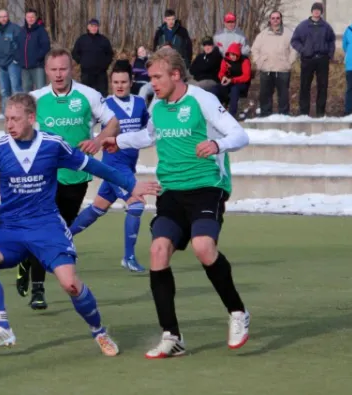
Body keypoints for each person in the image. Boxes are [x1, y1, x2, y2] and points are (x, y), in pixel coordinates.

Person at [0, 93, 160, 355]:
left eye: (15, 119)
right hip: (10, 228)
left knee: (70, 284)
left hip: (47, 228)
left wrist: (131, 184)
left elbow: (94, 166)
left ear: (31, 119)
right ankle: (2, 326)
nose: (9, 124)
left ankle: (99, 331)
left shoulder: (52, 144)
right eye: (7, 119)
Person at [102, 47, 250, 358]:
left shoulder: (201, 100)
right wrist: (118, 141)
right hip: (171, 190)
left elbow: (239, 135)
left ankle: (237, 312)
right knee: (158, 251)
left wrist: (216, 143)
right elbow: (149, 136)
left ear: (176, 75)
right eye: (151, 77)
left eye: (157, 77)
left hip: (207, 187)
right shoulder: (157, 104)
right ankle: (172, 336)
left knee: (202, 246)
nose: (152, 83)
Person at [15, 47, 121, 310]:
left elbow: (113, 123)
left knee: (62, 230)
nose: (59, 74)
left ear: (71, 68)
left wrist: (97, 140)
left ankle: (27, 259)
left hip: (77, 175)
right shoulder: (35, 99)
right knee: (46, 230)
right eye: (53, 70)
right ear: (46, 71)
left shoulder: (88, 95)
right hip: (44, 176)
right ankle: (38, 290)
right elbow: (20, 129)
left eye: (63, 69)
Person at [69, 60, 150, 272]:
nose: (120, 86)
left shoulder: (140, 104)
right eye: (115, 82)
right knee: (136, 205)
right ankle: (129, 257)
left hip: (128, 167)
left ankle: (61, 238)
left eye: (124, 81)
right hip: (114, 168)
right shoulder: (105, 105)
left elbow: (148, 131)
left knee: (98, 208)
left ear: (132, 81)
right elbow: (83, 125)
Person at [290, 2, 335, 117]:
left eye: (319, 10)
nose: (316, 11)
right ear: (311, 11)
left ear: (321, 12)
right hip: (307, 59)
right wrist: (303, 50)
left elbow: (331, 41)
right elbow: (294, 41)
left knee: (323, 86)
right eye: (315, 9)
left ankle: (320, 112)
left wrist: (329, 54)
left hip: (322, 60)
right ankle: (304, 112)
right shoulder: (303, 26)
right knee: (305, 86)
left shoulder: (326, 26)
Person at [252, 11, 297, 116]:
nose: (275, 20)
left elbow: (294, 49)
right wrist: (259, 62)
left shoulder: (288, 33)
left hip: (282, 70)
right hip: (266, 69)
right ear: (270, 20)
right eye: (273, 18)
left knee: (283, 95)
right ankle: (265, 115)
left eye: (277, 18)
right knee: (265, 95)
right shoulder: (263, 34)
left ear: (281, 19)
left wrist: (288, 63)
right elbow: (255, 49)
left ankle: (284, 116)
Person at [72, 19, 114, 97]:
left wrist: (105, 65)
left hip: (101, 74)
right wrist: (82, 62)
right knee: (86, 95)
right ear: (88, 27)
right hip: (86, 73)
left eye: (96, 26)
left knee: (102, 95)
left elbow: (110, 54)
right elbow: (74, 52)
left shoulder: (104, 40)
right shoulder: (82, 39)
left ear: (98, 27)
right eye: (92, 26)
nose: (94, 28)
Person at [0, 9, 22, 113]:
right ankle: (6, 115)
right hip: (1, 65)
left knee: (16, 89)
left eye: (5, 16)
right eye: (1, 17)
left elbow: (21, 45)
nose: (3, 19)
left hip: (13, 64)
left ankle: (19, 113)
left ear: (8, 17)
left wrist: (16, 59)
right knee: (4, 92)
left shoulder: (15, 29)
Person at [16, 8, 50, 92]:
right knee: (26, 91)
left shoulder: (41, 31)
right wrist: (18, 58)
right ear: (25, 18)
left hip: (37, 66)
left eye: (32, 17)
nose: (30, 19)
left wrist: (37, 58)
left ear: (36, 18)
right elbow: (17, 46)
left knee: (41, 90)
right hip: (25, 67)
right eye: (28, 17)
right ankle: (29, 105)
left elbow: (46, 47)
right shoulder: (22, 31)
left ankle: (41, 105)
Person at [218, 43, 251, 117]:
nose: (232, 56)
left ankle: (232, 114)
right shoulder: (225, 60)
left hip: (242, 83)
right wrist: (222, 77)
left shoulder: (244, 60)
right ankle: (217, 112)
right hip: (229, 82)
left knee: (234, 89)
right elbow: (221, 72)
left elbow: (246, 76)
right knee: (216, 89)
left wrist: (232, 80)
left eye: (234, 54)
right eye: (231, 54)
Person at [344, 18, 352, 115]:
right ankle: (348, 111)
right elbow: (345, 46)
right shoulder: (349, 30)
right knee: (350, 89)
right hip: (351, 66)